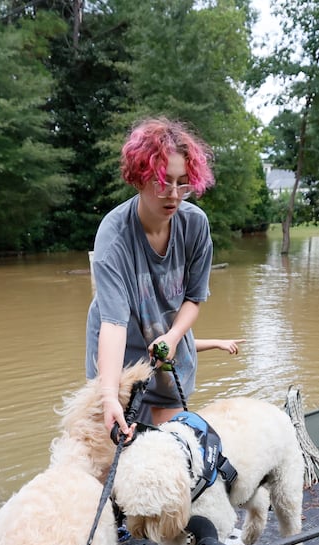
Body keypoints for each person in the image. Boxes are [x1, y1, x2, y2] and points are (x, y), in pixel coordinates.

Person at [86, 117, 241, 440]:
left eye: (183, 183)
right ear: (139, 177)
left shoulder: (195, 225)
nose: (173, 194)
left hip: (169, 353)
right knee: (120, 446)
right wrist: (110, 395)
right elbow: (112, 323)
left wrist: (172, 338)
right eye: (162, 181)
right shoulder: (113, 237)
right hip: (121, 361)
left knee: (170, 450)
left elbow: (194, 298)